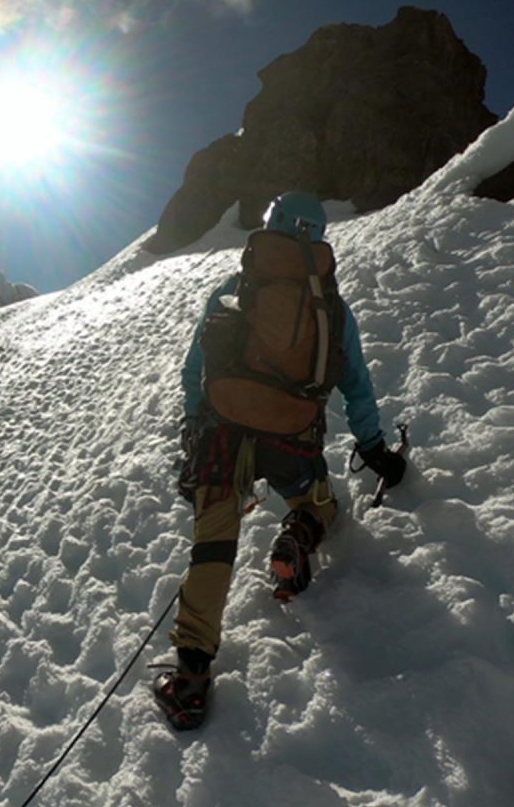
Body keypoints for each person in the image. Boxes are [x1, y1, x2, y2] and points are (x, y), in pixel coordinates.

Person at [154, 190, 406, 729]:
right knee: (323, 506)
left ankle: (191, 675)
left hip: (223, 432)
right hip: (292, 436)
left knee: (214, 543)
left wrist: (195, 434)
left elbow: (195, 368)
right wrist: (373, 449)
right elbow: (355, 385)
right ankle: (302, 528)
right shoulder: (332, 309)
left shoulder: (235, 289)